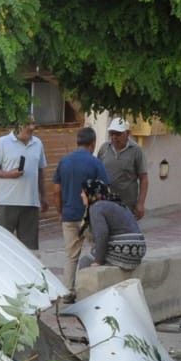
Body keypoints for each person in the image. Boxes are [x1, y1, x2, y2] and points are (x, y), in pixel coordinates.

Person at [54, 128, 109, 301]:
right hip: (90, 216)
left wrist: (60, 211)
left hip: (69, 215)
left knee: (71, 255)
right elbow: (104, 190)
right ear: (93, 144)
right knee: (96, 251)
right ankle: (93, 290)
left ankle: (68, 292)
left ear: (77, 142)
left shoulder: (64, 162)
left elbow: (56, 190)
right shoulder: (95, 163)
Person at [0, 120, 46, 249]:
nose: (32, 127)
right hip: (7, 203)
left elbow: (40, 171)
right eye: (28, 124)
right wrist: (9, 174)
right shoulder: (2, 143)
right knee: (1, 246)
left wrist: (43, 196)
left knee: (30, 250)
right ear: (17, 125)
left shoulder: (38, 143)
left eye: (33, 123)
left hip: (31, 203)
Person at [84, 177, 146, 273]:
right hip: (139, 250)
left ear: (92, 194)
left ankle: (82, 288)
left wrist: (98, 261)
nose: (81, 195)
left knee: (85, 260)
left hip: (127, 250)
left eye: (83, 193)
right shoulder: (118, 203)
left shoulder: (96, 207)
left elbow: (102, 234)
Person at [101, 116, 149, 221]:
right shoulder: (104, 148)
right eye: (111, 133)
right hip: (106, 202)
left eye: (118, 134)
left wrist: (140, 203)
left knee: (125, 235)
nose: (114, 137)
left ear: (128, 133)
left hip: (127, 205)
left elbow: (144, 178)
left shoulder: (136, 150)